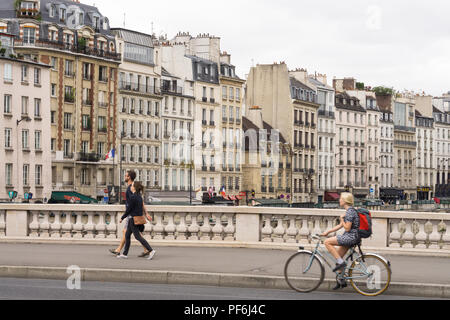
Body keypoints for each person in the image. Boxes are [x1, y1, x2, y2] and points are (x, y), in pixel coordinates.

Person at [321, 192, 360, 290]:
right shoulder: (349, 211)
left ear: (345, 201)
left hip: (350, 237)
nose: (339, 200)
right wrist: (327, 232)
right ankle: (341, 280)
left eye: (341, 199)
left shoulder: (350, 212)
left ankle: (341, 264)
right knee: (338, 258)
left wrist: (342, 219)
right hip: (350, 236)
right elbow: (340, 226)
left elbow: (347, 228)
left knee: (327, 242)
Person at [109, 170, 152, 258]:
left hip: (131, 214)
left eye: (126, 176)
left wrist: (125, 215)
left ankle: (119, 250)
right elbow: (141, 201)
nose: (125, 177)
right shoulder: (133, 187)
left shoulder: (130, 189)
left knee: (128, 232)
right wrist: (146, 213)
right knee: (132, 232)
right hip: (134, 214)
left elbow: (134, 203)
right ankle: (145, 249)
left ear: (129, 177)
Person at [117, 181, 156, 260]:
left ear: (134, 187)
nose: (130, 187)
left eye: (131, 185)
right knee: (127, 235)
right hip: (137, 217)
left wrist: (122, 217)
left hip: (133, 219)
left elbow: (129, 209)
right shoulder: (139, 196)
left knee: (137, 236)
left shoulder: (133, 197)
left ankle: (151, 250)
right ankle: (125, 254)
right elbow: (140, 208)